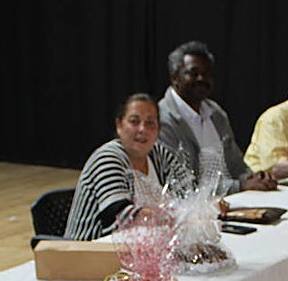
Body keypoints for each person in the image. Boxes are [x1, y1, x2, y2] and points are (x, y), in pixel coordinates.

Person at [63, 92, 194, 241]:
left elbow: (189, 192)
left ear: (158, 130)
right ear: (119, 125)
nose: (142, 129)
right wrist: (173, 218)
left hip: (143, 247)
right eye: (134, 121)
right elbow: (121, 217)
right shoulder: (107, 158)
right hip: (90, 250)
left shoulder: (159, 155)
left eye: (150, 123)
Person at [157, 40, 276, 195]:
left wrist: (256, 178)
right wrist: (240, 186)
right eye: (193, 73)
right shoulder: (161, 119)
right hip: (191, 206)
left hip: (234, 200)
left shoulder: (216, 113)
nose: (201, 78)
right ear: (175, 78)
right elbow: (183, 185)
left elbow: (236, 165)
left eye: (207, 73)